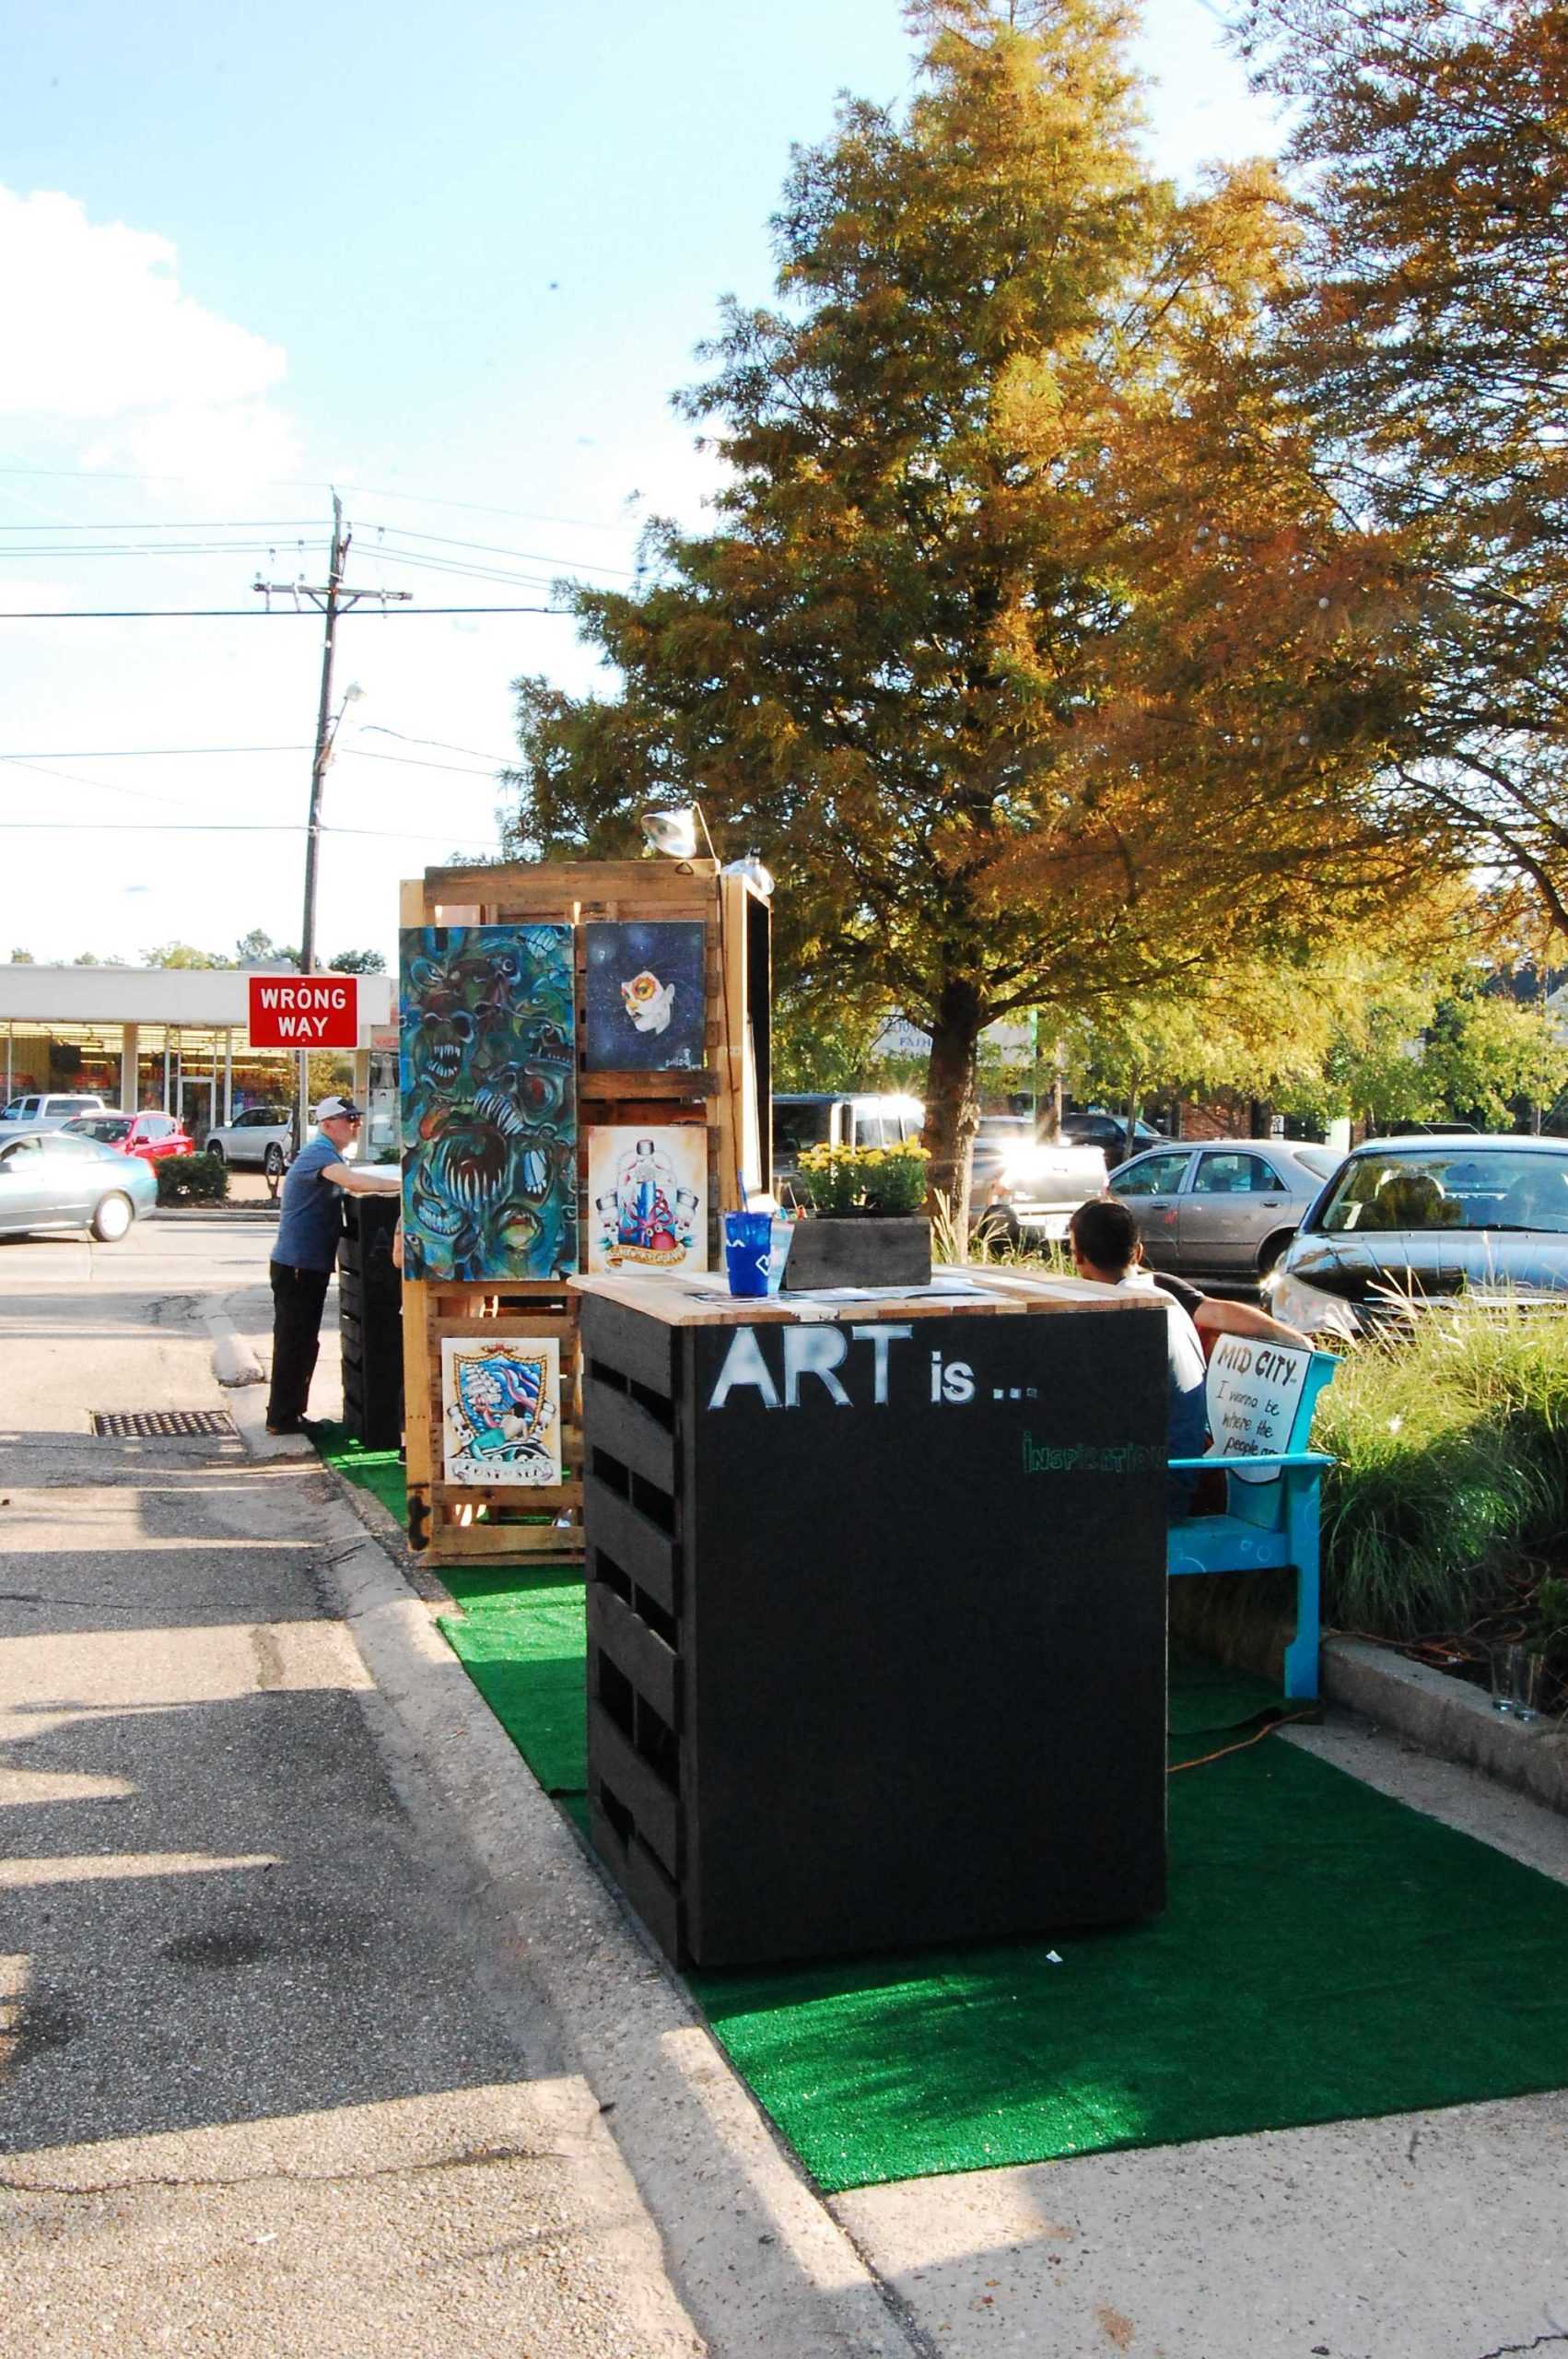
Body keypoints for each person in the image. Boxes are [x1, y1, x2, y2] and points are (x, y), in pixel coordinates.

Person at [266, 1094, 402, 1436]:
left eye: (357, 1118)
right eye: (348, 1119)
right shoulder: (319, 1154)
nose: (355, 1124)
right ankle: (282, 1417)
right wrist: (406, 1186)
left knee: (304, 1341)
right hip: (297, 1266)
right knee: (294, 1341)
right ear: (327, 1124)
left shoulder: (329, 1154)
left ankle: (291, 1413)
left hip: (306, 1265)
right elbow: (355, 1182)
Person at [1068, 1198, 1208, 1513]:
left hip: (1157, 1488)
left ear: (1078, 1257)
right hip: (1178, 1473)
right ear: (1139, 1252)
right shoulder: (1163, 1299)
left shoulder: (1125, 1312)